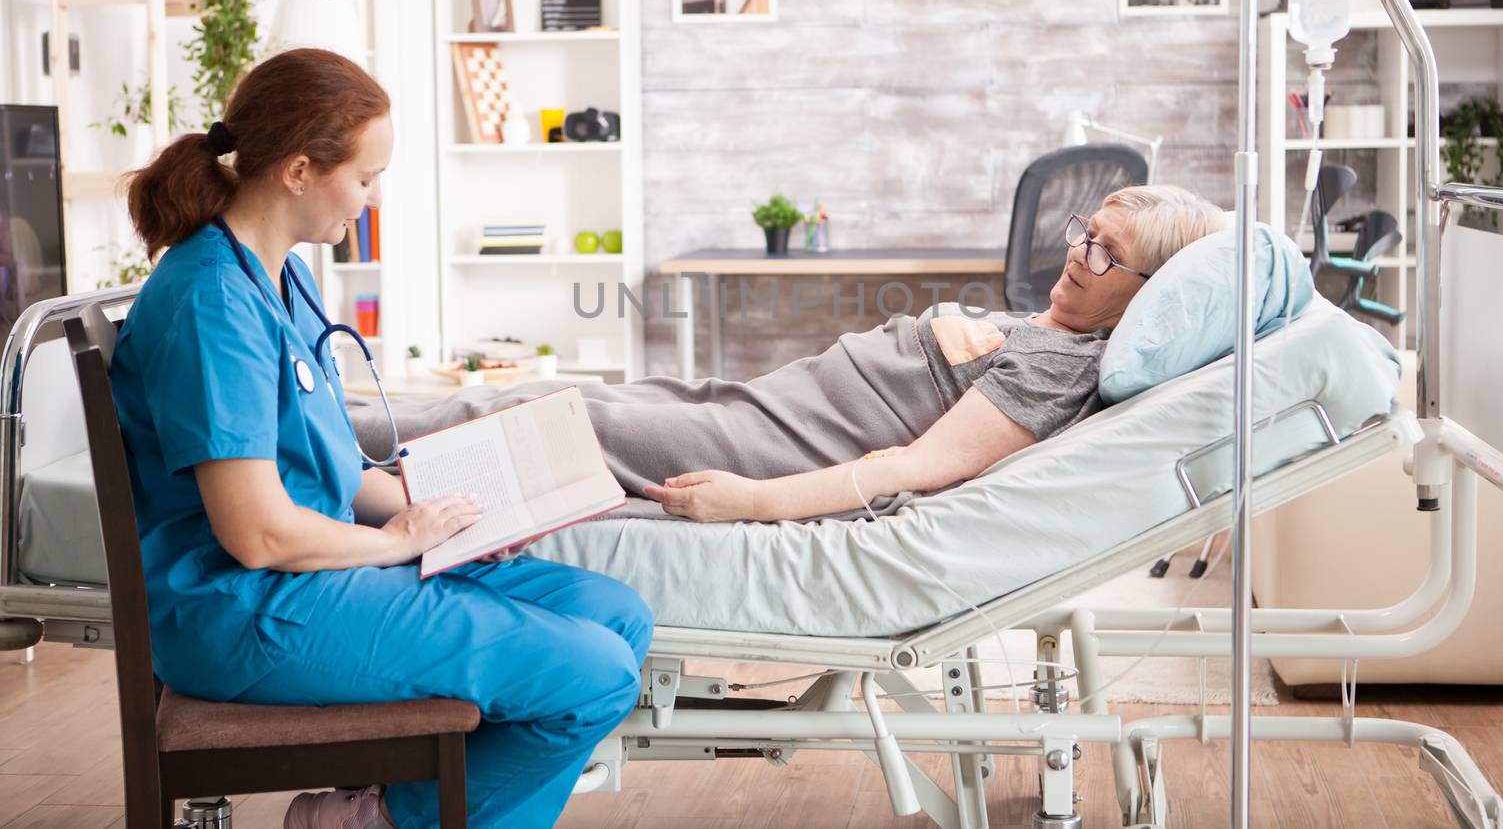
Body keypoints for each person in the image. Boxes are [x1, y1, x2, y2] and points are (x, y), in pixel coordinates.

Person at [112, 48, 651, 829]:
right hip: (247, 607)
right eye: (364, 178)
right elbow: (258, 532)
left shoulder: (282, 274)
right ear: (298, 170)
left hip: (321, 569)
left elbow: (328, 464)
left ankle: (389, 810)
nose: (371, 200)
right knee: (595, 672)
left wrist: (458, 510)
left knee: (617, 615)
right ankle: (390, 820)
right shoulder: (210, 302)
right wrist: (401, 539)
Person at [350, 185, 1224, 526]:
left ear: (1147, 291)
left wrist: (753, 501)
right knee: (566, 393)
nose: (1078, 253)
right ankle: (322, 433)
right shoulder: (1055, 329)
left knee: (542, 419)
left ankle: (309, 435)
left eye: (1106, 254)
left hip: (780, 446)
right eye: (1085, 233)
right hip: (768, 405)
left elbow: (916, 468)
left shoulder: (1059, 367)